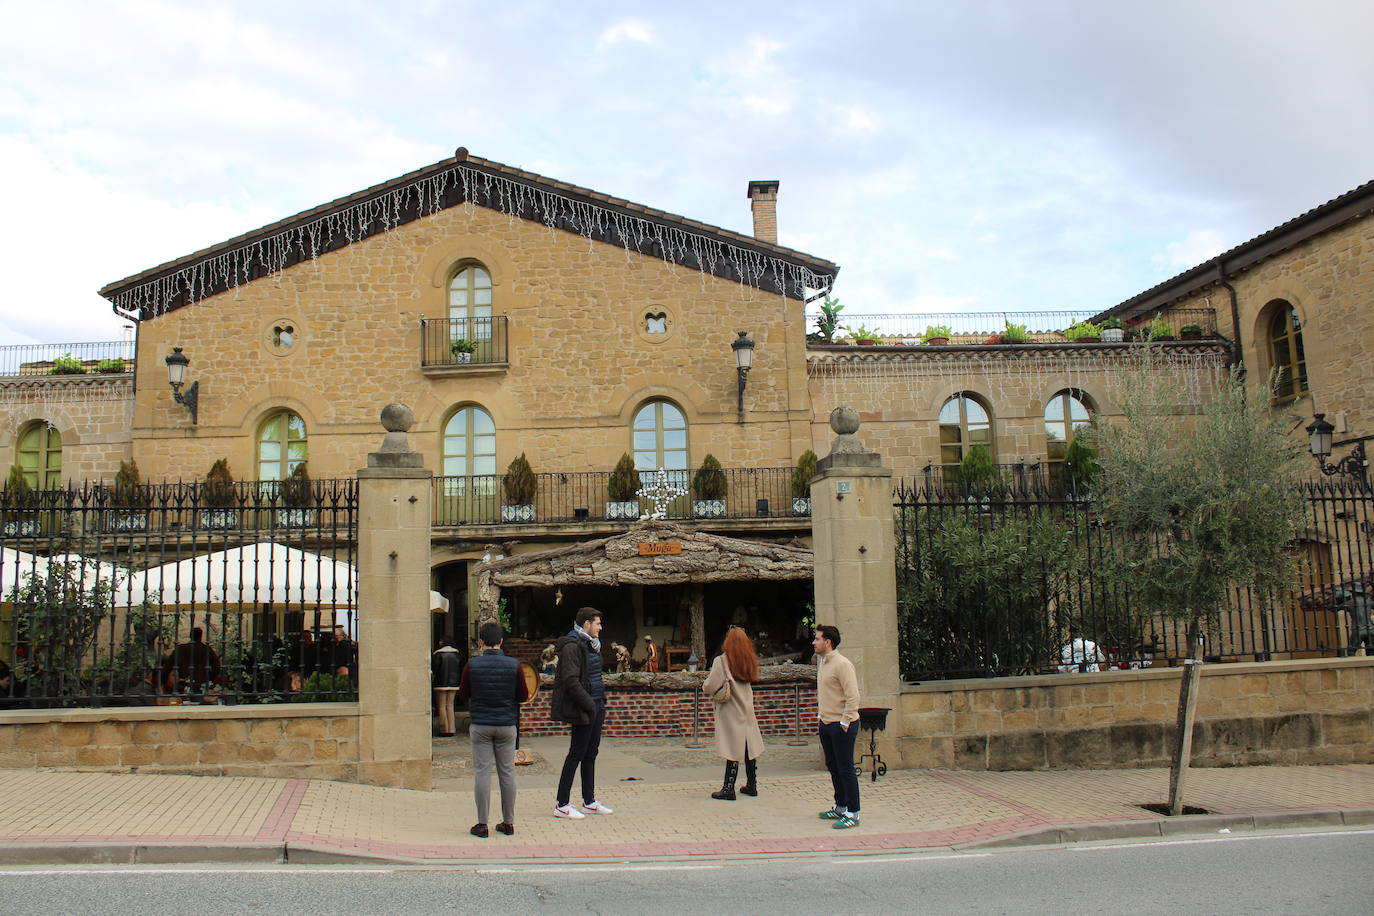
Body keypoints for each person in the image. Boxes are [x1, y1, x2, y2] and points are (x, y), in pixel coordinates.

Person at [458, 621, 528, 838]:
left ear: (481, 642)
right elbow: (522, 696)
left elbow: (463, 694)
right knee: (507, 773)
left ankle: (482, 824)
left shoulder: (472, 665)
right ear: (501, 641)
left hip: (481, 724)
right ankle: (508, 822)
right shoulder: (514, 665)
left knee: (482, 773)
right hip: (507, 725)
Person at [550, 606, 614, 819]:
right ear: (586, 624)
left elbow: (595, 675)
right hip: (585, 706)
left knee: (590, 754)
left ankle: (589, 800)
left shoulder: (591, 645)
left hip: (596, 704)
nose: (600, 627)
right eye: (597, 623)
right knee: (576, 754)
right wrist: (588, 704)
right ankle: (562, 804)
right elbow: (570, 680)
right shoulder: (572, 646)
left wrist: (599, 702)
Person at [702, 626, 764, 800]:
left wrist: (704, 686)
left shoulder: (722, 661)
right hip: (747, 708)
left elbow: (710, 685)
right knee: (748, 747)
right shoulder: (748, 660)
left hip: (731, 708)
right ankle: (752, 785)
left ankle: (728, 788)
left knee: (732, 748)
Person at [814, 624, 861, 829]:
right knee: (833, 767)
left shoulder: (843, 664)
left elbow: (853, 696)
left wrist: (845, 720)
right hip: (826, 722)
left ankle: (853, 812)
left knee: (845, 768)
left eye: (817, 639)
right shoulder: (823, 662)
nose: (813, 642)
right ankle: (840, 806)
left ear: (828, 642)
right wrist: (821, 716)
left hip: (842, 725)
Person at [161, 627, 221, 693]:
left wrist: (163, 682)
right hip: (201, 684)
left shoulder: (180, 649)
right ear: (200, 636)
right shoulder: (206, 649)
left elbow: (168, 666)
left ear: (190, 636)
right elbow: (216, 666)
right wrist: (209, 678)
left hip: (182, 684)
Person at [431, 636, 463, 737]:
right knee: (450, 706)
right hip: (454, 683)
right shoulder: (457, 654)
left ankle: (444, 728)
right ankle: (452, 728)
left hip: (441, 683)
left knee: (441, 706)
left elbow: (435, 669)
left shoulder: (438, 654)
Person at [1334, 585, 1373, 655]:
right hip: (1371, 629)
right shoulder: (1368, 602)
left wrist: (1338, 600)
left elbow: (1335, 609)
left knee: (1351, 651)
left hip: (1358, 630)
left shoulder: (1350, 602)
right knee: (1371, 651)